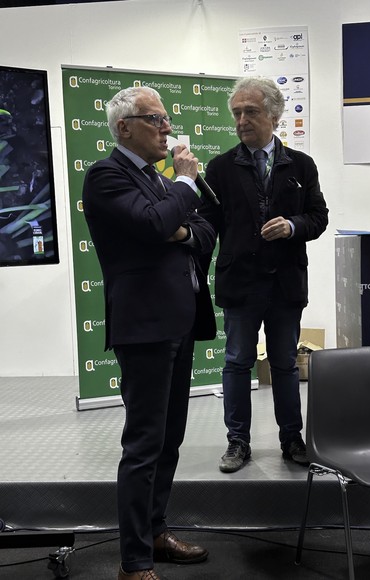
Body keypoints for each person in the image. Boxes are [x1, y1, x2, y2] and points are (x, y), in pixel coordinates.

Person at [82, 86, 216, 580]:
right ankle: (134, 561)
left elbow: (204, 231)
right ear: (124, 128)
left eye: (166, 118)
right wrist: (184, 186)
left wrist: (178, 226)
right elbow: (156, 222)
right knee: (143, 446)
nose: (167, 128)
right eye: (155, 119)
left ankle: (156, 531)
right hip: (144, 328)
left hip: (179, 320)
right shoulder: (107, 176)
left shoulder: (156, 180)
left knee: (169, 440)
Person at [198, 76, 329, 473]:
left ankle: (292, 438)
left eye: (251, 112)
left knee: (285, 363)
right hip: (240, 282)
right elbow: (206, 224)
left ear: (274, 115)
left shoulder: (301, 165)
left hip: (285, 283)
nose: (241, 120)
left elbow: (318, 217)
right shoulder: (220, 168)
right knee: (238, 361)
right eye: (236, 113)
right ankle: (238, 441)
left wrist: (292, 225)